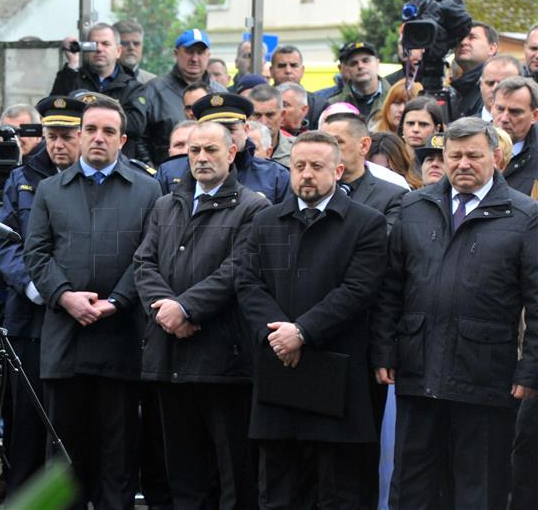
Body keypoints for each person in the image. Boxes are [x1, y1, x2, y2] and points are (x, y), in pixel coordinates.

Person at [371, 117, 538, 510]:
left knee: (478, 487)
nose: (463, 164)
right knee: (412, 486)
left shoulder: (524, 215)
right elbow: (391, 288)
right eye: (455, 156)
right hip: (418, 368)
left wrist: (530, 369)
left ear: (495, 157)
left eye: (473, 156)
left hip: (486, 374)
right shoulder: (415, 205)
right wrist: (383, 351)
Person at [236, 130, 388, 509]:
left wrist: (302, 332)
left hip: (336, 371)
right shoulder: (266, 221)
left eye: (316, 167)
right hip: (278, 367)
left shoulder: (365, 223)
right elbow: (247, 282)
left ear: (337, 170)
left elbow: (358, 290)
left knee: (336, 490)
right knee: (279, 487)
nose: (306, 174)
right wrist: (279, 334)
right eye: (298, 166)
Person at [24, 96, 161, 509]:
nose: (98, 138)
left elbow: (148, 255)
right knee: (66, 453)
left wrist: (118, 301)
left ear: (122, 140)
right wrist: (65, 296)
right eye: (90, 130)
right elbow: (36, 253)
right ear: (80, 135)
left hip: (121, 337)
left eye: (108, 132)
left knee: (118, 451)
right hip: (66, 339)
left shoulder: (147, 189)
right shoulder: (50, 190)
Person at [134, 121, 268, 509]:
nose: (202, 158)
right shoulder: (166, 203)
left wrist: (187, 307)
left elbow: (238, 269)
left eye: (211, 150)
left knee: (233, 470)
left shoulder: (252, 207)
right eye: (194, 151)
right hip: (169, 356)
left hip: (223, 359)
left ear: (232, 153)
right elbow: (144, 262)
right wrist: (166, 309)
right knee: (183, 470)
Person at [0, 95, 85, 495]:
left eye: (67, 136)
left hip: (80, 317)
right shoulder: (23, 177)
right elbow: (5, 241)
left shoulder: (91, 180)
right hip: (30, 317)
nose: (58, 145)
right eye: (52, 136)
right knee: (26, 423)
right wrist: (34, 286)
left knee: (74, 421)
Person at [158, 92, 290, 202]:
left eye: (230, 130)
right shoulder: (170, 172)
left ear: (246, 130)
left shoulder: (276, 176)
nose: (223, 138)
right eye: (215, 130)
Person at [50, 23, 147, 159]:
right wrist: (73, 63)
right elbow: (55, 110)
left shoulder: (132, 86)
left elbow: (136, 125)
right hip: (77, 162)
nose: (99, 49)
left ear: (118, 51)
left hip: (119, 163)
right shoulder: (72, 77)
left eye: (106, 44)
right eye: (94, 45)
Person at [141, 28, 225, 165]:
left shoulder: (220, 94)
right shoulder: (153, 91)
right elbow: (139, 140)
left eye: (200, 52)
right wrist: (155, 176)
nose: (194, 58)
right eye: (189, 52)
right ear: (176, 53)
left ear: (208, 55)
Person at [321, 113, 407, 233]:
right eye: (323, 143)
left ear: (364, 145)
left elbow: (380, 243)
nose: (327, 150)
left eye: (337, 142)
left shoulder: (393, 197)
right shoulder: (311, 190)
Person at [492, 76, 538, 196]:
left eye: (515, 112)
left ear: (535, 116)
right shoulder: (469, 145)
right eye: (500, 109)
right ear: (492, 106)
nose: (504, 118)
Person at [328, 41, 391, 119]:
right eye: (353, 63)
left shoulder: (395, 98)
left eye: (366, 61)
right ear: (347, 69)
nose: (360, 66)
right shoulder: (334, 104)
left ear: (377, 63)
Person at [270, 44, 328, 128]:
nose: (288, 71)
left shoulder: (319, 106)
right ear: (271, 71)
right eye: (282, 66)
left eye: (293, 65)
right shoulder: (259, 102)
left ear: (302, 70)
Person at [450, 22, 498, 121]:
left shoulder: (498, 87)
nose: (463, 42)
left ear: (492, 48)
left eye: (472, 37)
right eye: (460, 38)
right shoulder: (457, 90)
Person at [248, 84, 292, 167]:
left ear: (282, 115)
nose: (263, 122)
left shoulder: (296, 150)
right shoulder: (238, 151)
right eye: (257, 115)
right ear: (248, 117)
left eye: (270, 115)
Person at [155, 120, 197, 194]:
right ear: (170, 152)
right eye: (179, 145)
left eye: (193, 145)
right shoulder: (162, 175)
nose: (186, 151)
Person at [478, 55, 521, 122]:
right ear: (481, 85)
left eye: (503, 84)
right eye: (490, 83)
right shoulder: (464, 129)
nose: (495, 89)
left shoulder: (533, 129)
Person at [113, 19, 156, 84]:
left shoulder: (154, 83)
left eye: (136, 43)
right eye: (125, 43)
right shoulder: (101, 81)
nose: (131, 48)